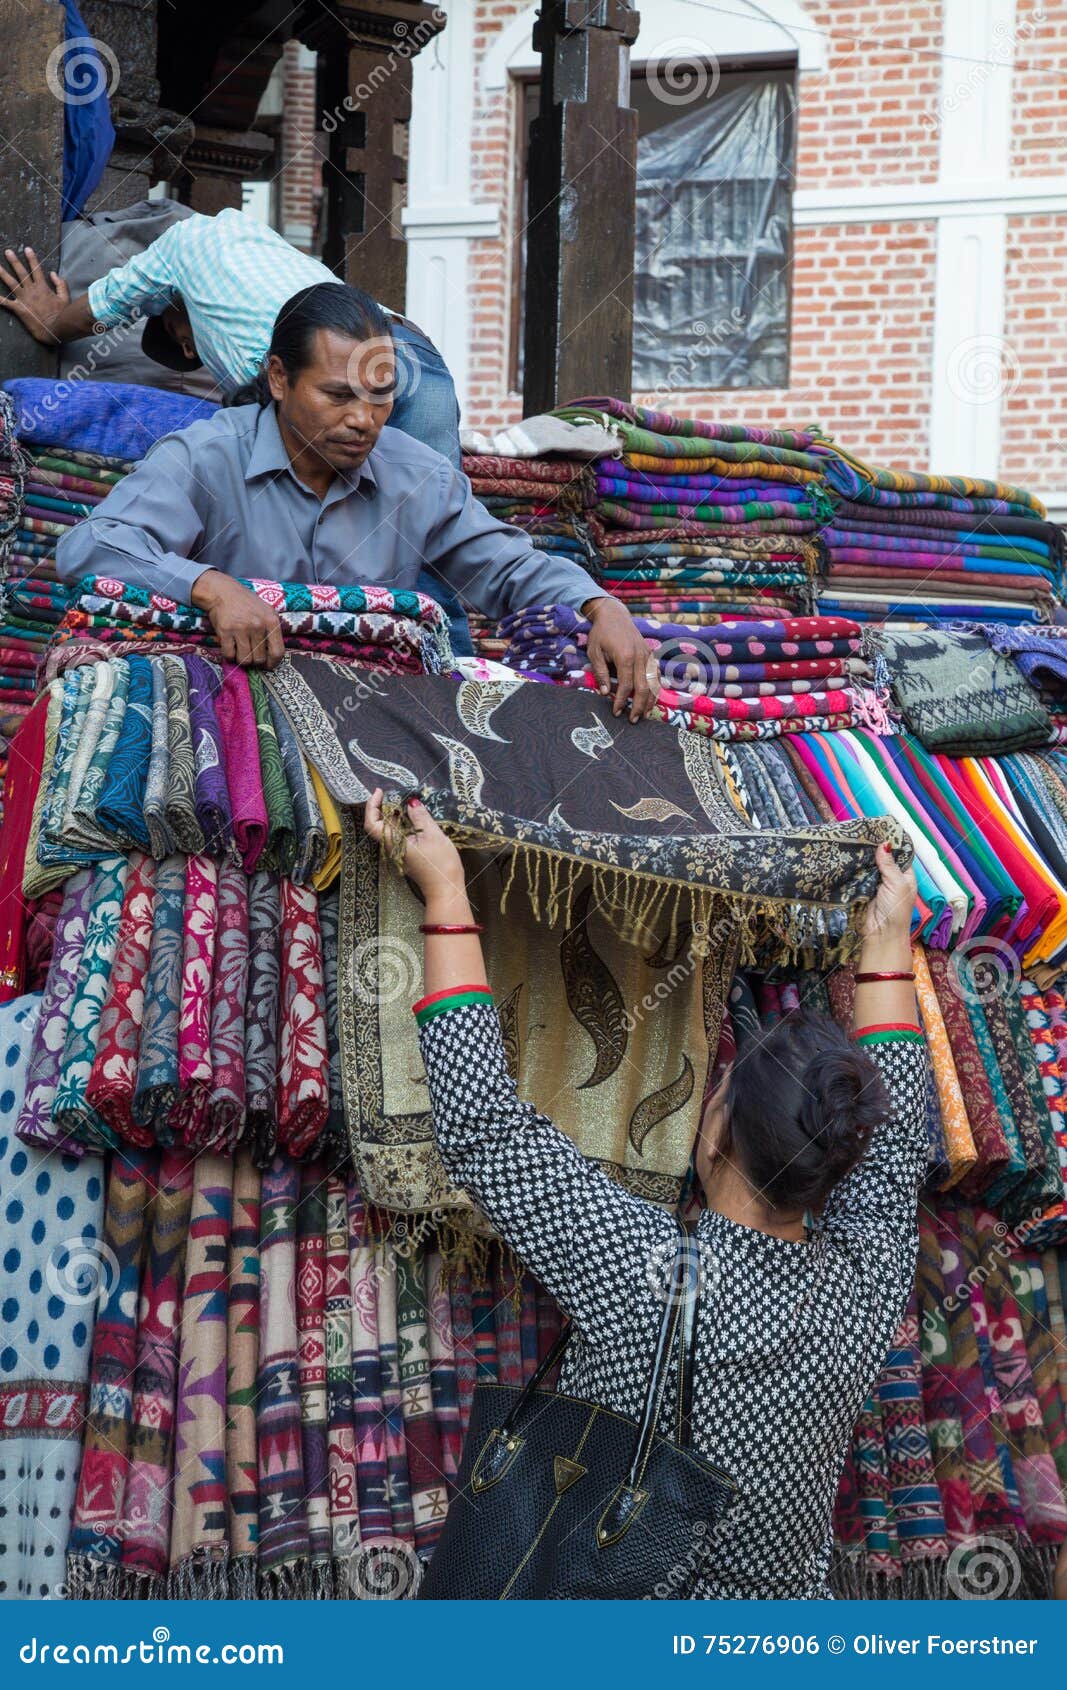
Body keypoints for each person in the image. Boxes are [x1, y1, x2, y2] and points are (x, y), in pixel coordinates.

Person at [363, 790, 925, 1600]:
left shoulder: (648, 1268)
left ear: (718, 1135)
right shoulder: (865, 1280)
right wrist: (888, 945)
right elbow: (895, 1144)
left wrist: (448, 895)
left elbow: (484, 1127)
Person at [55, 282, 656, 714]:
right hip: (226, 721)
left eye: (379, 396)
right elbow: (90, 547)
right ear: (278, 379)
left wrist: (599, 606)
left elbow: (506, 566)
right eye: (337, 395)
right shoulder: (206, 457)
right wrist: (211, 587)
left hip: (370, 729)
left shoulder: (415, 475)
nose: (363, 420)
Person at [1, 207, 473, 647]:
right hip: (411, 352)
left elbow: (104, 306)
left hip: (344, 367)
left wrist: (52, 322)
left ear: (173, 314)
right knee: (433, 554)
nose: (193, 354)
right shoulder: (264, 245)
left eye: (183, 341)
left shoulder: (181, 245)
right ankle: (444, 679)